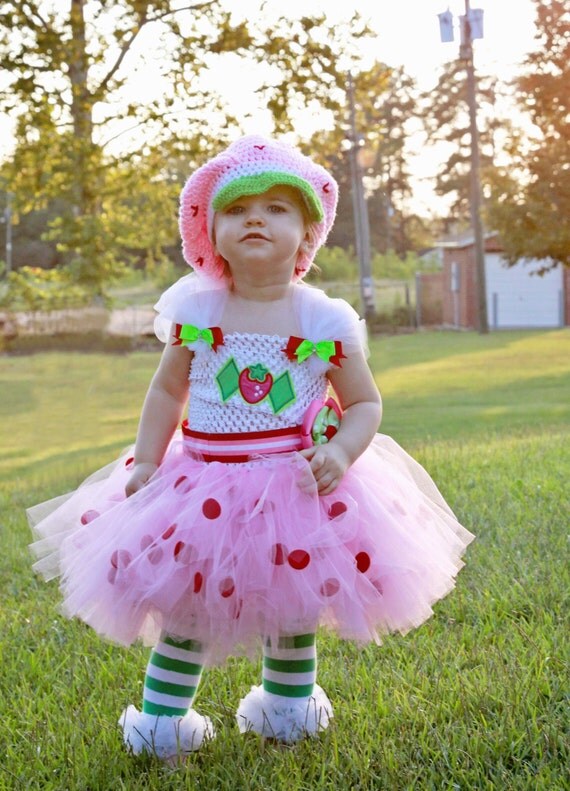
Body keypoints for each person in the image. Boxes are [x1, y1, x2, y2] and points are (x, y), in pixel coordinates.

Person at [28, 135, 474, 760]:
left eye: (276, 208)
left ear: (308, 232)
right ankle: (161, 723)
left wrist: (342, 452)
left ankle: (287, 711)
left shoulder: (323, 319)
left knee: (293, 607)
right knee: (185, 607)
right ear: (211, 233)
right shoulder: (198, 308)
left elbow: (366, 404)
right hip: (201, 486)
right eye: (237, 210)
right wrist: (150, 460)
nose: (256, 219)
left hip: (294, 488)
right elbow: (166, 391)